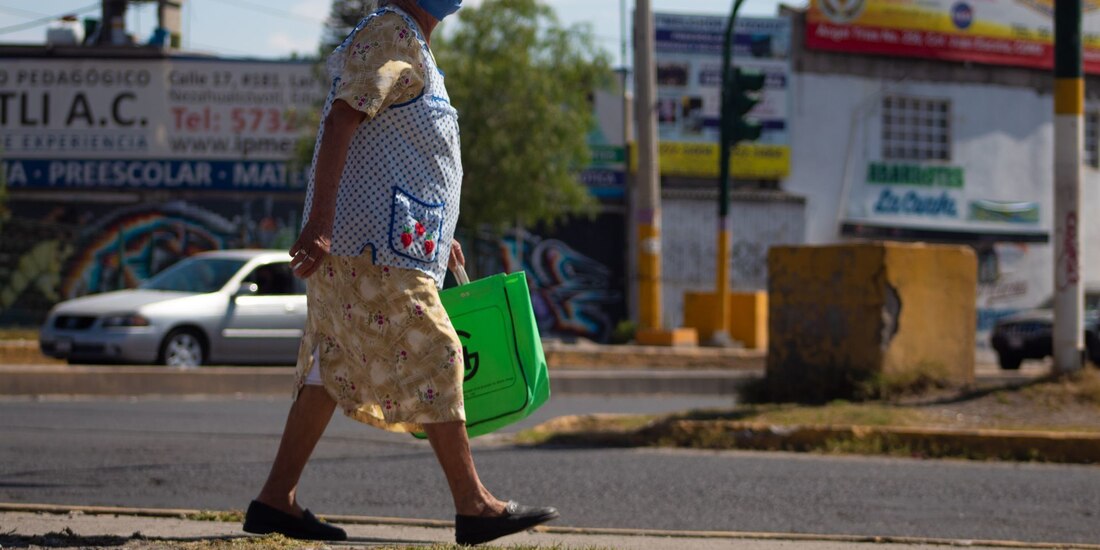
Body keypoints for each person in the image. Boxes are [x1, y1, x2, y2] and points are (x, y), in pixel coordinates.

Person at [241, 0, 558, 545]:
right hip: (369, 251)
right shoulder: (392, 33)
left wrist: (440, 233)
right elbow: (343, 119)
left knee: (330, 369)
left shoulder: (412, 43)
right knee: (438, 352)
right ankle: (474, 505)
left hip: (388, 246)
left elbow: (394, 152)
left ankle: (275, 500)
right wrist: (320, 225)